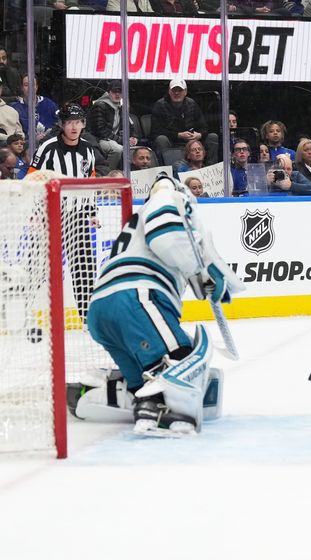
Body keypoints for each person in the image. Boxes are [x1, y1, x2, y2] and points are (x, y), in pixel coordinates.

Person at [74, 174, 244, 436]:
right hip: (137, 297)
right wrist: (204, 271)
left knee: (142, 377)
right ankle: (176, 415)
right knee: (181, 357)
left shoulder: (140, 220)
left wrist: (208, 277)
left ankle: (139, 403)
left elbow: (183, 252)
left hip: (103, 309)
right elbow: (167, 237)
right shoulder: (169, 197)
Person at [28, 104, 98, 322]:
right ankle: (25, 313)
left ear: (83, 124)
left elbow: (90, 182)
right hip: (50, 216)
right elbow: (31, 179)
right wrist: (36, 212)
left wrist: (92, 212)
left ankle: (87, 317)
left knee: (84, 266)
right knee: (38, 267)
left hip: (77, 216)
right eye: (69, 122)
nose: (74, 127)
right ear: (61, 124)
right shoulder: (47, 148)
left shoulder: (88, 149)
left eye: (78, 122)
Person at [151, 78, 219, 166]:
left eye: (180, 90)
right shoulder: (160, 105)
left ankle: (211, 169)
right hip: (172, 141)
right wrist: (178, 135)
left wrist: (199, 135)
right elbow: (155, 131)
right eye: (174, 90)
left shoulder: (192, 104)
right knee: (161, 139)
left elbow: (204, 127)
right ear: (169, 91)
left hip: (191, 141)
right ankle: (168, 170)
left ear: (185, 92)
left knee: (212, 137)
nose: (176, 93)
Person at [88, 80, 140, 170]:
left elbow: (130, 125)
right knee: (117, 149)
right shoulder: (100, 105)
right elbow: (100, 130)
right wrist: (122, 140)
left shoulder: (121, 106)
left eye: (120, 92)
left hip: (115, 139)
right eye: (114, 91)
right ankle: (107, 174)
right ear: (109, 92)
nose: (117, 94)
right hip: (99, 140)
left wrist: (133, 137)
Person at [12, 74, 58, 141]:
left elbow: (60, 124)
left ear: (36, 87)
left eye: (32, 85)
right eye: (26, 85)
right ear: (22, 88)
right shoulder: (15, 108)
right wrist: (32, 141)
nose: (30, 88)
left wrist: (49, 137)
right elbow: (15, 136)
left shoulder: (49, 104)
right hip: (26, 148)